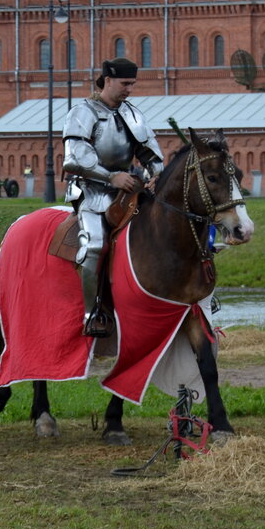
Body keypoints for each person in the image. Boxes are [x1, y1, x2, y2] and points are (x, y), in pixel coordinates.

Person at [62, 57, 165, 338]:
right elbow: (73, 160)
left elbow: (150, 152)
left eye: (132, 84)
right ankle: (92, 314)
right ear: (107, 80)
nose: (129, 89)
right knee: (95, 245)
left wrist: (157, 173)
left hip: (128, 189)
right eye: (125, 83)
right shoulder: (82, 112)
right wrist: (110, 177)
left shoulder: (132, 113)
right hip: (91, 190)